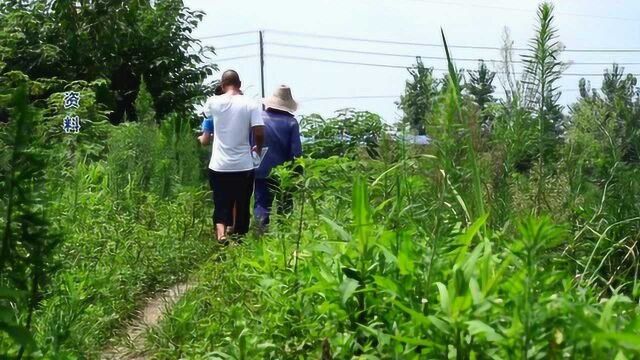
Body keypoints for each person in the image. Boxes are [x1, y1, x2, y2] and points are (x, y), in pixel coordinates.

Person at [202, 70, 264, 243]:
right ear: (240, 84)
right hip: (243, 165)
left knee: (220, 200)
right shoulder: (250, 104)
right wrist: (257, 149)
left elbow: (206, 120)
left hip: (218, 165)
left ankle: (221, 235)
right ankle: (238, 238)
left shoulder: (213, 102)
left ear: (222, 85)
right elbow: (259, 131)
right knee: (242, 202)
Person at [254, 85, 302, 229]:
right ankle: (284, 235)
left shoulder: (259, 118)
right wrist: (298, 173)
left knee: (261, 203)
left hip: (260, 168)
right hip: (284, 172)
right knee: (285, 204)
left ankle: (260, 234)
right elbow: (296, 152)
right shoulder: (291, 123)